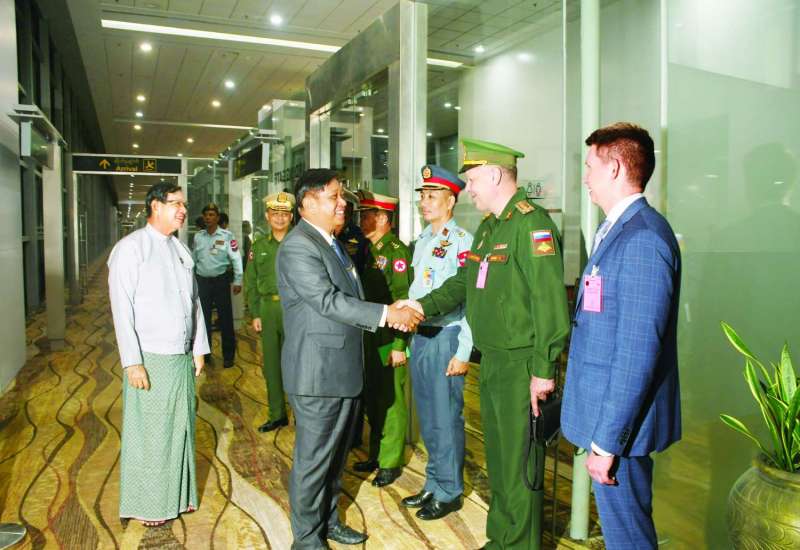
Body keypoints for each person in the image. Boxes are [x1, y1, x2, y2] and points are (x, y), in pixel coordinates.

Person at [399, 139, 570, 549]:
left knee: (519, 462)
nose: (469, 189)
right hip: (492, 360)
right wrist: (419, 304)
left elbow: (550, 304)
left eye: (473, 180)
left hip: (521, 364)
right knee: (500, 458)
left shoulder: (531, 225)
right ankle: (502, 538)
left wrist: (543, 370)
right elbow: (462, 283)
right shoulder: (491, 228)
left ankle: (519, 544)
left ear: (494, 175)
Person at [276, 169, 423, 549]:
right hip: (317, 375)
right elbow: (327, 301)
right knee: (313, 463)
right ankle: (306, 540)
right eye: (334, 197)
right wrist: (387, 314)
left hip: (340, 371)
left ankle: (327, 522)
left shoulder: (332, 243)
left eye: (342, 196)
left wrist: (390, 310)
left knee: (335, 457)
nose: (343, 203)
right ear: (308, 202)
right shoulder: (298, 247)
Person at [561, 123, 682, 549]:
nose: (585, 177)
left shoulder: (643, 237)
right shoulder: (619, 229)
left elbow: (636, 353)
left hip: (621, 429)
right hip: (609, 416)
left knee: (628, 536)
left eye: (590, 166)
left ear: (614, 169)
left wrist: (607, 442)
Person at [107, 182, 208, 526]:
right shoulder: (131, 249)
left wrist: (198, 348)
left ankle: (178, 496)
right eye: (175, 203)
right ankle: (149, 505)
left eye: (183, 204)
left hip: (180, 356)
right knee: (152, 433)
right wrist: (132, 362)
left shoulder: (180, 249)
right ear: (155, 206)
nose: (183, 210)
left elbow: (194, 302)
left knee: (181, 427)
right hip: (150, 357)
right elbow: (122, 309)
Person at [400, 164, 474, 520]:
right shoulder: (423, 241)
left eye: (433, 196)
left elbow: (471, 300)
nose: (425, 202)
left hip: (447, 336)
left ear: (451, 201)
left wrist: (464, 350)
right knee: (429, 419)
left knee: (446, 418)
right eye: (423, 196)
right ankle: (434, 482)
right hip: (422, 337)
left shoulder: (463, 241)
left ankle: (450, 491)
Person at [351, 190, 412, 488]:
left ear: (384, 218)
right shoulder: (368, 250)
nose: (361, 221)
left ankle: (390, 461)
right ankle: (376, 454)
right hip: (369, 333)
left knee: (391, 400)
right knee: (374, 398)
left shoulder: (396, 252)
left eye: (367, 215)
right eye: (362, 215)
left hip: (389, 336)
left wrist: (400, 346)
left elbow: (404, 301)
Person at [245, 192, 295, 433]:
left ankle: (301, 414)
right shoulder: (258, 247)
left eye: (284, 214)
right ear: (267, 216)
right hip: (268, 309)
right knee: (272, 366)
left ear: (291, 217)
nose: (280, 218)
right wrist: (255, 313)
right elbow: (250, 281)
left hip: (294, 309)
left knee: (297, 363)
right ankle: (277, 414)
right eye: (275, 214)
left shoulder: (299, 244)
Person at [192, 203, 243, 368]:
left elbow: (236, 259)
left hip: (221, 281)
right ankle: (205, 355)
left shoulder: (227, 236)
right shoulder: (198, 237)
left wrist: (238, 280)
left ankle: (228, 356)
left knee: (226, 320)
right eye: (206, 215)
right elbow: (194, 259)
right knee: (203, 320)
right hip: (202, 282)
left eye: (211, 215)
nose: (208, 218)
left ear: (217, 217)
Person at [335, 188, 370, 274]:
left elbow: (363, 264)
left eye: (346, 208)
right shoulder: (326, 231)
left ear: (350, 211)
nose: (343, 211)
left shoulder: (359, 234)